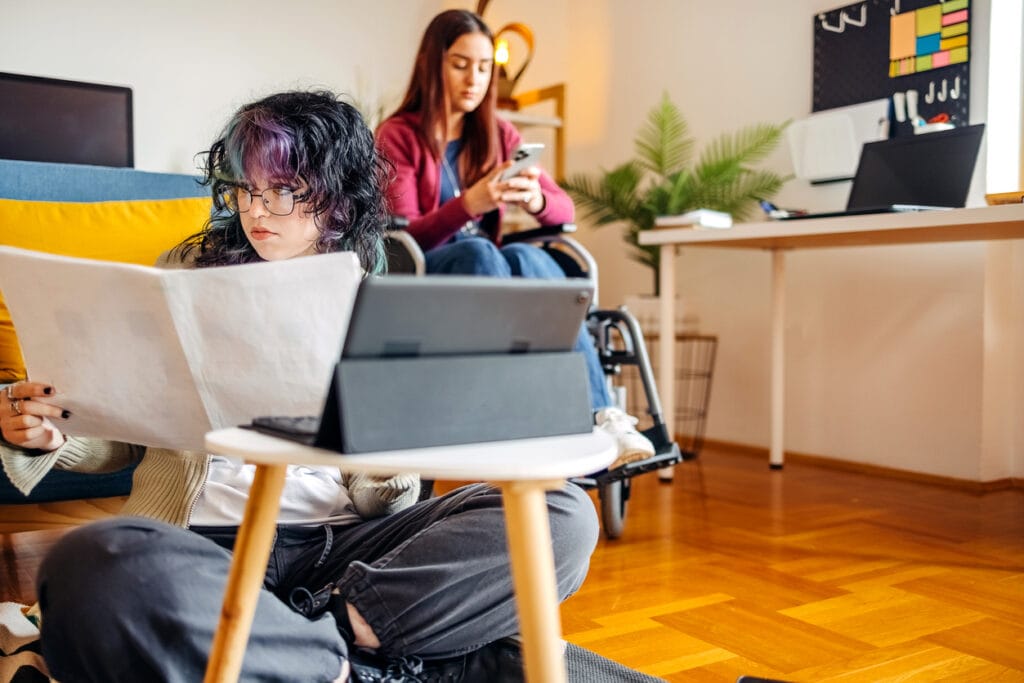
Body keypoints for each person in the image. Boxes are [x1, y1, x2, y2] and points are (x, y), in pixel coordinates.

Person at [0, 90, 599, 683]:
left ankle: (324, 638)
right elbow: (127, 434)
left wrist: (390, 441)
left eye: (283, 191)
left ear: (337, 198)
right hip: (208, 546)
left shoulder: (374, 300)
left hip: (349, 553)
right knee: (91, 565)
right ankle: (367, 658)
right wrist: (52, 433)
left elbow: (385, 501)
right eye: (246, 189)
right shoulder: (182, 277)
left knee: (564, 514)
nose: (256, 211)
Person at [376, 9, 655, 470]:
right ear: (433, 63)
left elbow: (564, 211)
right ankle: (520, 406)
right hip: (427, 274)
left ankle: (605, 418)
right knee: (483, 249)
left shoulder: (499, 135)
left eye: (485, 67)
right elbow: (404, 237)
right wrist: (472, 202)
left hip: (489, 276)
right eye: (461, 64)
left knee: (527, 253)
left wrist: (535, 199)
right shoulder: (397, 136)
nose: (475, 78)